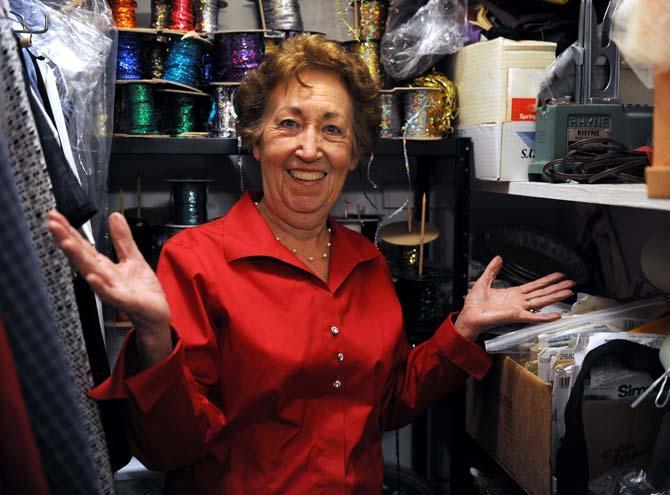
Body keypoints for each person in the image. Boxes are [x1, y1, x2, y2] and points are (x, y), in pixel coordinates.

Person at [47, 35, 574, 495]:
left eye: (332, 130)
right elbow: (170, 450)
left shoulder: (366, 262)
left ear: (355, 152)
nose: (309, 148)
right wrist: (155, 338)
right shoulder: (197, 263)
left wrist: (463, 329)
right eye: (289, 124)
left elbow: (385, 403)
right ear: (255, 140)